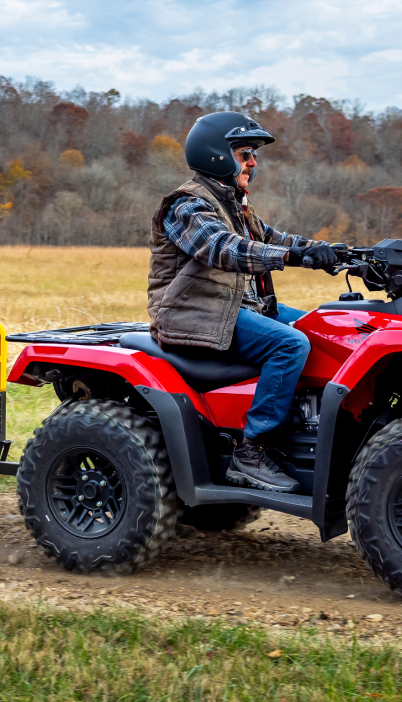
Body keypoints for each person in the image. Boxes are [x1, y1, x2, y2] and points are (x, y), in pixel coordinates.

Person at [147, 111, 339, 493]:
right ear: (216, 154)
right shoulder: (187, 205)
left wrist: (336, 253)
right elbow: (222, 249)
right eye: (245, 152)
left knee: (325, 328)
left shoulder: (236, 204)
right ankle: (251, 450)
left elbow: (277, 239)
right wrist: (291, 258)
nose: (253, 161)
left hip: (234, 310)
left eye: (254, 154)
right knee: (290, 343)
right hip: (192, 315)